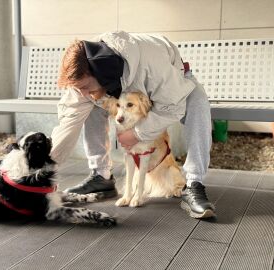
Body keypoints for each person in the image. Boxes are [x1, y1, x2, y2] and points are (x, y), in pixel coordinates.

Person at [50, 31, 216, 219]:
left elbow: (171, 109)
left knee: (199, 104)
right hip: (120, 84)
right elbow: (68, 124)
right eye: (79, 88)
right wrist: (43, 169)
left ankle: (194, 183)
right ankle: (100, 176)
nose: (83, 92)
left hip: (170, 79)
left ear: (100, 74)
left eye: (85, 87)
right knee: (90, 103)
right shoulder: (84, 76)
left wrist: (137, 134)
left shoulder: (154, 68)